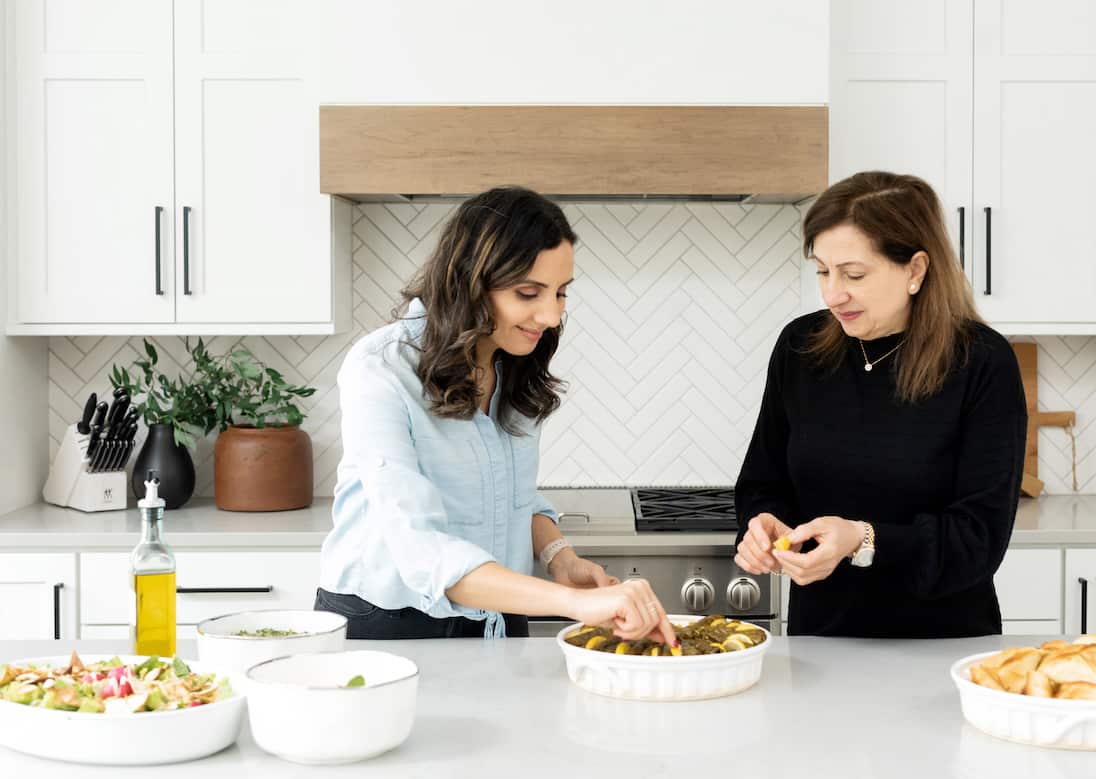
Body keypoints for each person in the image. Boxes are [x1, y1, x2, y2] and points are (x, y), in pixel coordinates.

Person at [316, 186, 676, 644]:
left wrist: (560, 557)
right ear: (470, 280)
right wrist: (574, 604)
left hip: (499, 616)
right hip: (388, 623)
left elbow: (510, 498)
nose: (549, 315)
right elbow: (419, 550)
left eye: (561, 293)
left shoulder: (513, 360)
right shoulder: (381, 367)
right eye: (529, 293)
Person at [734, 171, 1027, 637]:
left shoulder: (982, 362)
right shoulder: (801, 347)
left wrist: (862, 540)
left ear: (915, 269)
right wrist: (763, 525)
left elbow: (979, 539)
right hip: (822, 643)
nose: (833, 294)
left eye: (854, 275)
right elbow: (763, 481)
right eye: (822, 271)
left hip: (940, 645)